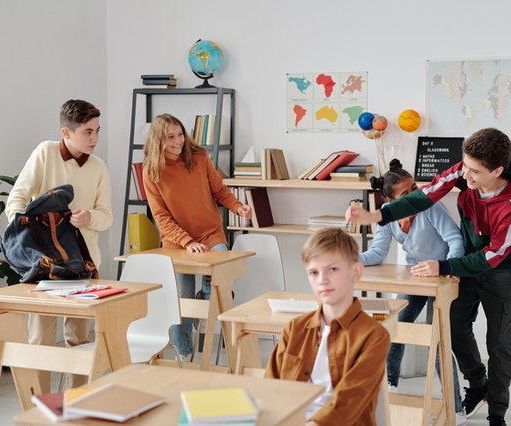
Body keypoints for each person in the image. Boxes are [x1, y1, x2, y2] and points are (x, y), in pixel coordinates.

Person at [346, 128, 511, 426]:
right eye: (464, 166)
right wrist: (375, 216)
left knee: (499, 342)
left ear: (497, 171)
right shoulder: (464, 171)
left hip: (501, 271)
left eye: (474, 172)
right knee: (452, 328)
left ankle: (497, 413)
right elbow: (425, 196)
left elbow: (493, 256)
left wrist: (444, 267)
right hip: (465, 263)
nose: (464, 176)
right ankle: (477, 382)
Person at [5, 99, 113, 391]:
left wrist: (89, 217)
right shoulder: (45, 152)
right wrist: (23, 227)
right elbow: (16, 198)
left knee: (80, 341)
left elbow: (107, 217)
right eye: (87, 132)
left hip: (84, 267)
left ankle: (76, 405)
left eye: (97, 131)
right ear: (67, 133)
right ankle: (39, 407)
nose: (94, 139)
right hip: (45, 267)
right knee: (40, 340)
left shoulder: (99, 168)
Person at [360, 159, 468, 425]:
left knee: (439, 341)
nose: (414, 196)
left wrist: (450, 267)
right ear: (390, 200)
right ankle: (391, 388)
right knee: (396, 329)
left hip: (443, 277)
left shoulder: (429, 205)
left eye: (415, 188)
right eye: (405, 194)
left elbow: (455, 239)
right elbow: (376, 253)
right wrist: (351, 260)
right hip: (416, 279)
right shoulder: (387, 214)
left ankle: (456, 409)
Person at [142, 113, 251, 361]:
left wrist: (237, 207)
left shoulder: (199, 158)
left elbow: (220, 191)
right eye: (170, 137)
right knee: (182, 299)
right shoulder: (152, 171)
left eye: (180, 134)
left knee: (219, 273)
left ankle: (208, 295)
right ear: (159, 140)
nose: (178, 141)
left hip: (210, 233)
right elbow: (161, 217)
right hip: (177, 242)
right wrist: (187, 242)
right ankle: (184, 353)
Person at [265, 227, 390, 426]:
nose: (322, 280)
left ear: (356, 272)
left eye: (332, 269)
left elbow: (349, 402)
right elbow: (271, 389)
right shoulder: (294, 329)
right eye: (313, 272)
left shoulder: (374, 336)